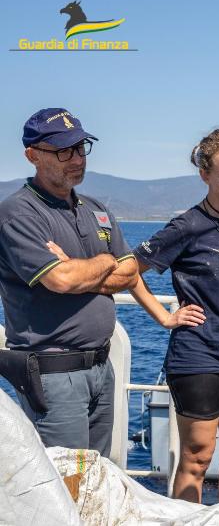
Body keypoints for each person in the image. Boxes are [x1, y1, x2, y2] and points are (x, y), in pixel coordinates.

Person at [0, 108, 137, 456]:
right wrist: (106, 262)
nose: (76, 159)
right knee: (67, 484)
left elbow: (131, 273)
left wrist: (83, 272)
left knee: (99, 481)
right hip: (53, 374)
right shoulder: (19, 213)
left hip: (101, 369)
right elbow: (60, 279)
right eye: (63, 151)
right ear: (32, 155)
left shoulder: (95, 209)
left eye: (80, 148)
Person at [129, 129, 219, 502]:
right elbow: (130, 270)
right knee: (197, 457)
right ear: (205, 175)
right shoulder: (186, 226)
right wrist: (165, 317)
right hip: (197, 354)